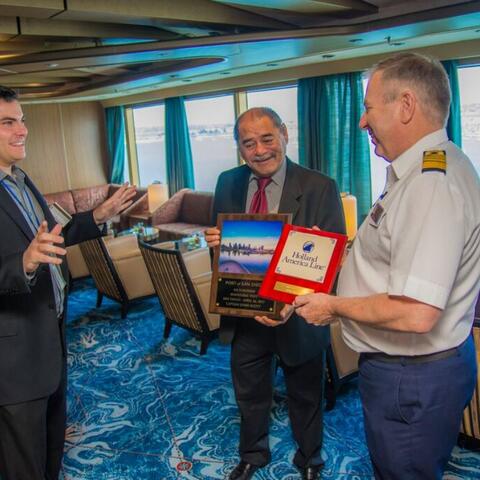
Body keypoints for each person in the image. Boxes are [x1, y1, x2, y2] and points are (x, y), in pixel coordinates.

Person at [292, 53, 480, 479]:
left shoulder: (431, 186)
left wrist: (333, 307)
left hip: (410, 378)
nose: (362, 122)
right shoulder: (429, 168)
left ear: (406, 105)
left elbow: (417, 312)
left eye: (368, 107)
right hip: (413, 373)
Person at [0, 85, 136, 480]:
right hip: (14, 362)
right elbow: (27, 257)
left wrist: (99, 215)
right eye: (8, 122)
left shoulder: (21, 180)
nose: (22, 129)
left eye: (22, 120)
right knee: (24, 466)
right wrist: (23, 263)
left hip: (50, 343)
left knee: (51, 451)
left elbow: (53, 236)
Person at [205, 107, 345, 480]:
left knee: (306, 396)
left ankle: (310, 460)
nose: (260, 150)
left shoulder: (320, 186)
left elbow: (330, 266)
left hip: (298, 318)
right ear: (239, 148)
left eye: (267, 138)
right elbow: (224, 257)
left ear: (284, 133)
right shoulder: (226, 183)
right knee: (249, 395)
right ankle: (252, 455)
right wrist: (216, 245)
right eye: (248, 143)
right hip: (245, 317)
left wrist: (290, 303)